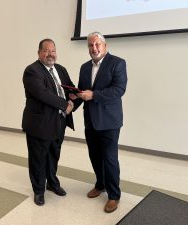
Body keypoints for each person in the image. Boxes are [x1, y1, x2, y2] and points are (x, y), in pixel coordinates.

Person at [71, 32, 127, 213]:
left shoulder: (117, 63)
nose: (93, 48)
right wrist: (72, 103)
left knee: (110, 159)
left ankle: (114, 195)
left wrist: (93, 95)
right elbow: (82, 92)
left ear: (105, 46)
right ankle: (100, 184)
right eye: (90, 45)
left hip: (110, 122)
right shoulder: (84, 67)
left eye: (97, 44)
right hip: (91, 121)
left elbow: (118, 90)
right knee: (94, 156)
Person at [22, 38, 74, 206]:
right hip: (40, 124)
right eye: (46, 51)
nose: (50, 54)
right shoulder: (32, 71)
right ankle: (39, 190)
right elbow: (43, 93)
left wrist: (75, 101)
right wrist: (65, 104)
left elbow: (71, 89)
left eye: (53, 51)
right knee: (38, 157)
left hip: (59, 121)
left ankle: (52, 183)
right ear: (39, 53)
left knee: (53, 154)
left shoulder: (61, 69)